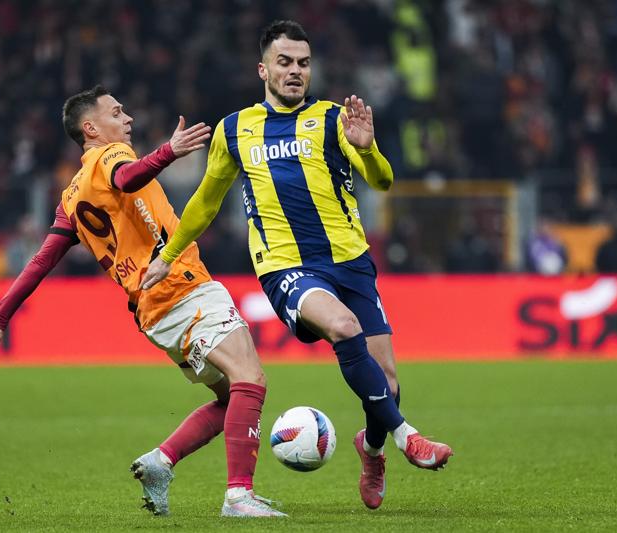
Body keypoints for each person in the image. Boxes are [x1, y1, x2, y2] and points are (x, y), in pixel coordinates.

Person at [140, 20, 453, 511]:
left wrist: (368, 149)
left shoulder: (332, 119)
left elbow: (382, 181)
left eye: (303, 63)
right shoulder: (235, 129)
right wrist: (169, 254)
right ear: (263, 69)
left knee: (388, 384)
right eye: (284, 62)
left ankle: (372, 450)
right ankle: (407, 437)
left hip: (351, 262)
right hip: (286, 266)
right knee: (344, 327)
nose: (295, 71)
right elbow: (205, 202)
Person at [0, 85, 285, 518]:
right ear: (91, 128)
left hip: (153, 313)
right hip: (180, 288)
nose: (128, 119)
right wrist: (169, 151)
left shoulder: (70, 197)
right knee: (251, 379)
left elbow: (41, 261)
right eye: (117, 113)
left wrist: (0, 316)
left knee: (233, 399)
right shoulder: (111, 155)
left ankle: (162, 461)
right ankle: (238, 496)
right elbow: (127, 177)